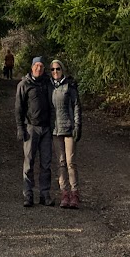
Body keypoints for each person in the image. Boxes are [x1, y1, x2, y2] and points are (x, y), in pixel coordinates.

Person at [15, 56, 53, 207]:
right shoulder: (24, 84)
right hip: (31, 127)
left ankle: (45, 195)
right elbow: (18, 108)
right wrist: (20, 128)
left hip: (46, 129)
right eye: (36, 66)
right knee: (29, 162)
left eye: (41, 66)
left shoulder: (48, 83)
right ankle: (28, 195)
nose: (39, 68)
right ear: (32, 67)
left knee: (46, 164)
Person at [49, 58, 82, 209]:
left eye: (58, 69)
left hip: (69, 129)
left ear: (62, 70)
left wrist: (77, 126)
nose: (55, 71)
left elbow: (76, 106)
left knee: (70, 162)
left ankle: (74, 193)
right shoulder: (49, 86)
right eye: (53, 69)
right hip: (55, 131)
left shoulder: (70, 86)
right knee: (61, 162)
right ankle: (64, 193)